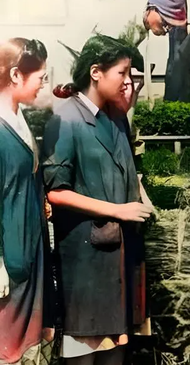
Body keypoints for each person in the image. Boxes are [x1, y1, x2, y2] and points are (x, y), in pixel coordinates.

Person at [42, 35, 152, 365]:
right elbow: (55, 192)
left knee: (116, 351)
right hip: (85, 263)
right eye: (122, 73)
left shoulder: (115, 118)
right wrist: (118, 210)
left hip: (116, 259)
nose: (129, 81)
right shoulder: (66, 120)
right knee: (84, 352)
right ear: (95, 73)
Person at [0, 38, 54, 365]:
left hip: (30, 252)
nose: (43, 85)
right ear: (17, 75)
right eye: (40, 78)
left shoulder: (20, 120)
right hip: (10, 262)